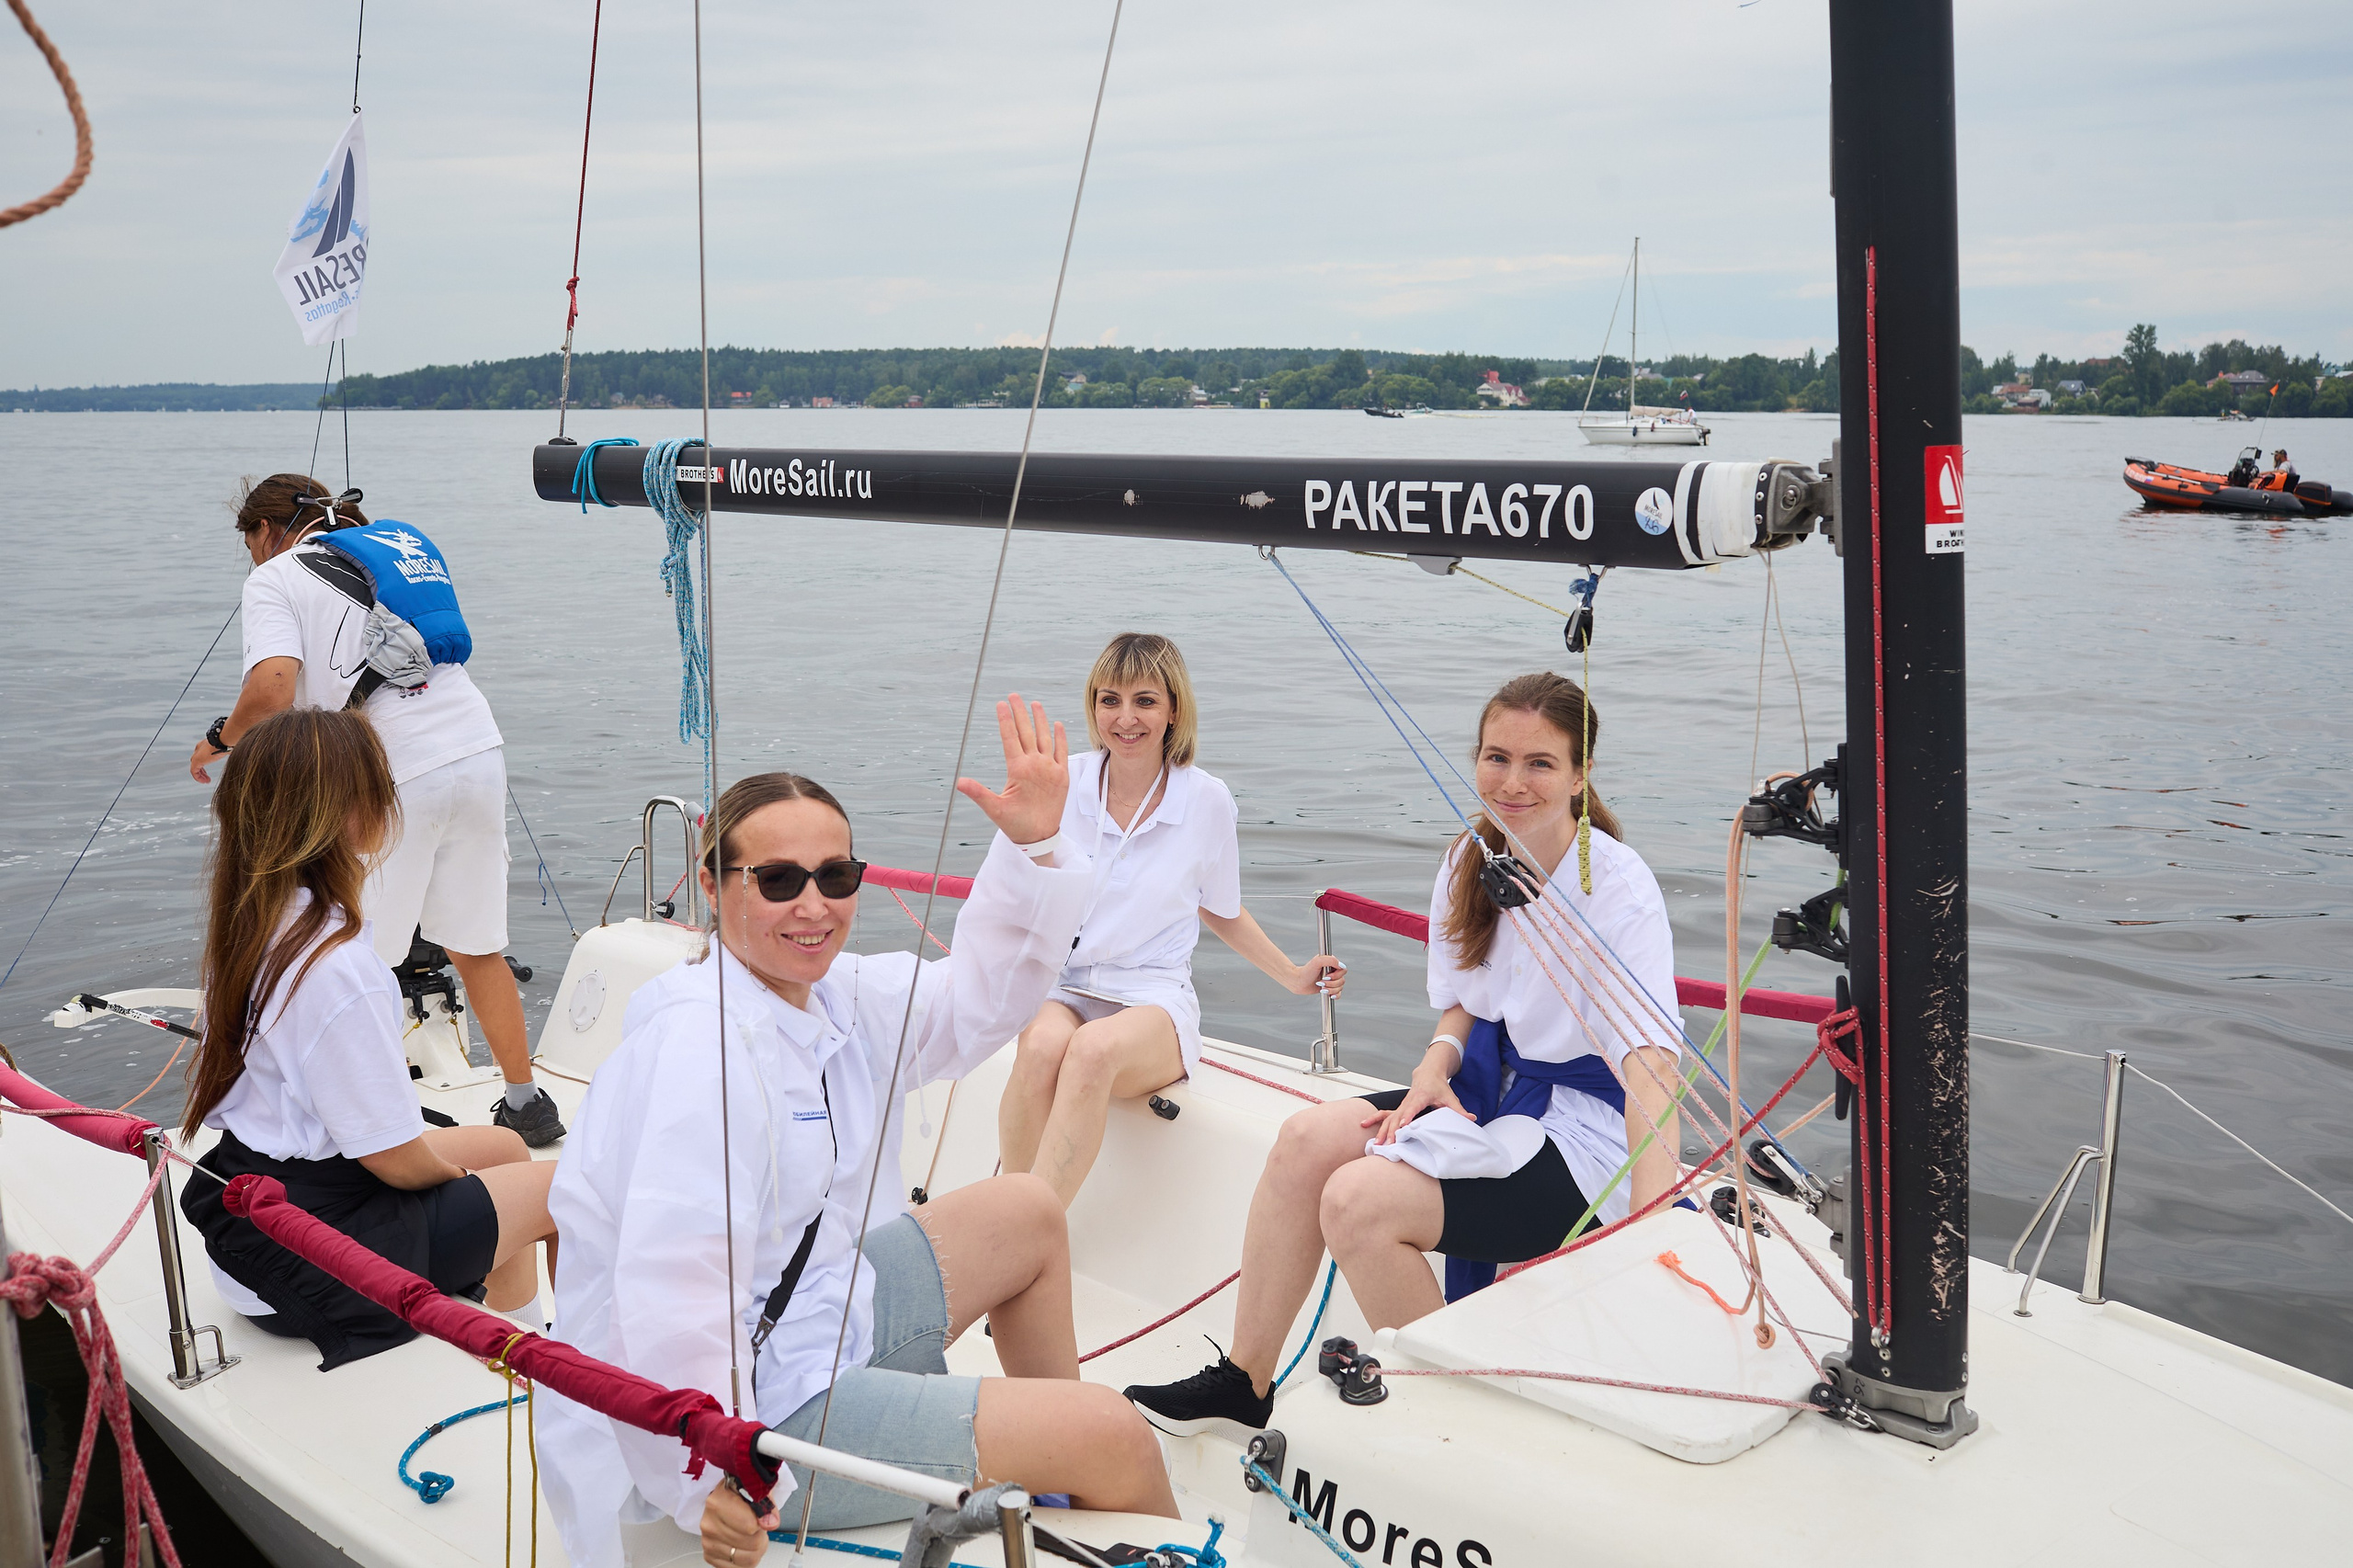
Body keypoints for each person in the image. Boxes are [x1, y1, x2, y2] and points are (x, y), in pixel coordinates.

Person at [534, 696, 1176, 1568]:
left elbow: (979, 1001)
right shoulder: (700, 1055)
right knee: (1117, 1434)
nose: (813, 905)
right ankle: (1075, 1452)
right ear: (714, 885)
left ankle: (1051, 1478)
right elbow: (668, 1298)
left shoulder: (834, 997)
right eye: (778, 880)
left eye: (836, 877)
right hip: (756, 1424)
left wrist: (1034, 847)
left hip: (817, 1324)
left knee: (1027, 1210)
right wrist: (715, 1477)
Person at [1123, 672, 1685, 1438]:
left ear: (1581, 775)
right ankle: (1244, 1381)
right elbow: (1467, 1003)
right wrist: (1432, 1066)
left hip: (1588, 1133)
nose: (1512, 782)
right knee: (1304, 1140)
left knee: (1357, 1203)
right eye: (1497, 757)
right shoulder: (1471, 859)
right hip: (1491, 1092)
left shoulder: (1619, 888)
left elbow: (1652, 1067)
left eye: (1541, 763)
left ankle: (1460, 1430)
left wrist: (1651, 1233)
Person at [176, 710, 560, 1370]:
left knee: (504, 1147)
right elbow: (394, 1161)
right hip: (314, 1255)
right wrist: (455, 1184)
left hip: (255, 1218)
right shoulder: (337, 967)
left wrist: (466, 1184)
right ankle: (563, 1374)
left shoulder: (253, 926)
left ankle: (512, 1343)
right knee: (566, 1191)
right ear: (359, 814)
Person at [188, 474, 563, 1146]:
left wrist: (220, 739)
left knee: (357, 953)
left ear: (265, 530)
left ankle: (381, 1129)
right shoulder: (393, 550)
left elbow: (272, 691)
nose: (252, 560)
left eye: (249, 545)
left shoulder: (275, 576)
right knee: (476, 943)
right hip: (476, 747)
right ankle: (525, 1101)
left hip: (389, 771)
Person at [997, 633, 1345, 1208]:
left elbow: (1220, 907)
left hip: (1153, 998)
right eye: (1110, 700)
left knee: (1092, 1051)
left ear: (1174, 709)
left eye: (1145, 701)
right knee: (1039, 1049)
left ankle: (1033, 1230)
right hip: (1068, 984)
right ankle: (1009, 1211)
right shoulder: (1066, 781)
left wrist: (1291, 975)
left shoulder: (1207, 800)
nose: (1125, 718)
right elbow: (1021, 886)